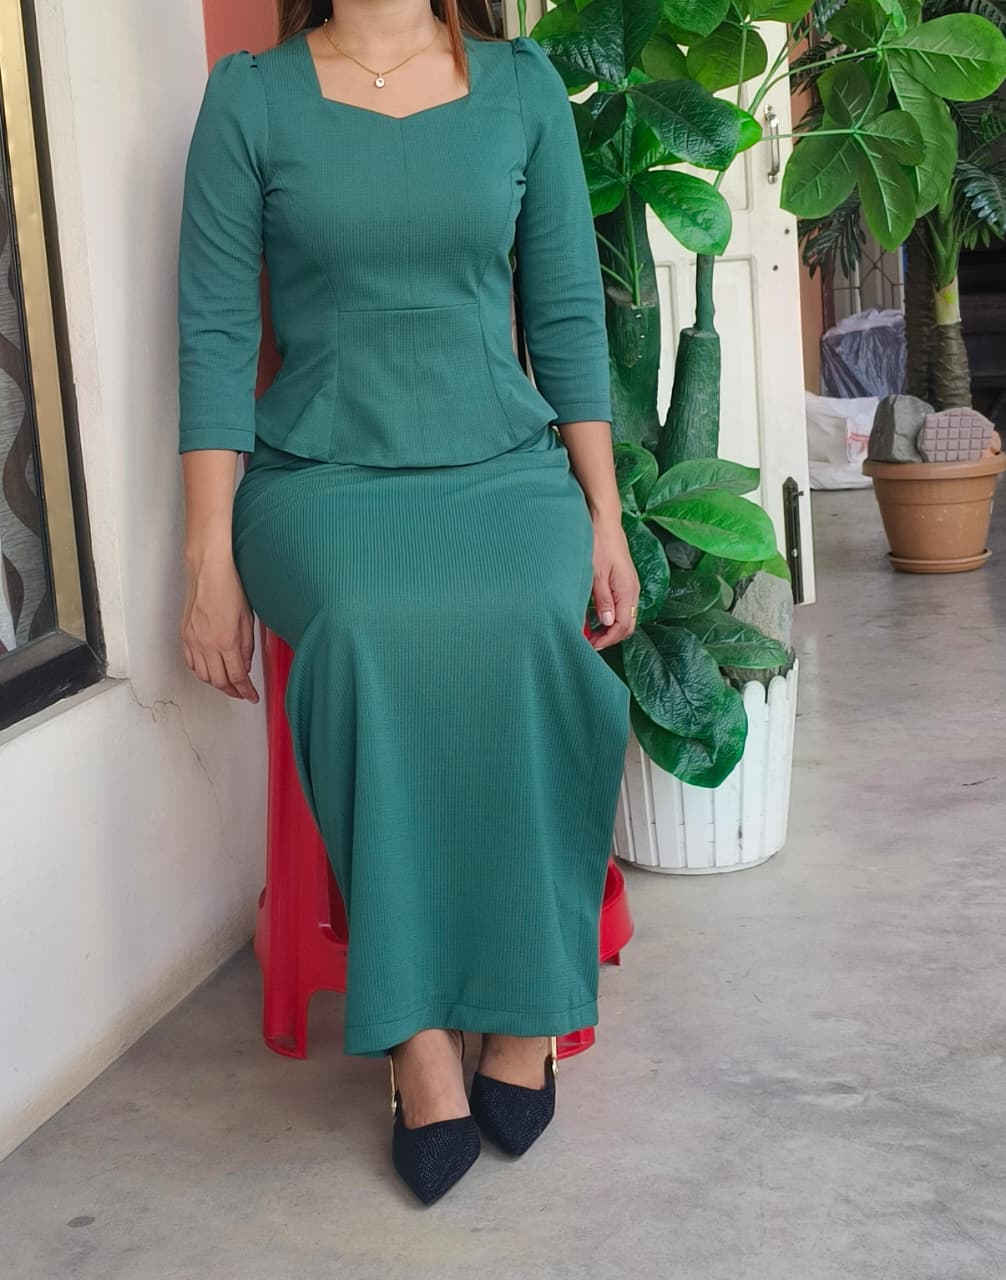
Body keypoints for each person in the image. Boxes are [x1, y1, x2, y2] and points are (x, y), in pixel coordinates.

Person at [176, 0, 639, 1205]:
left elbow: (564, 314)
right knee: (369, 630)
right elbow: (216, 334)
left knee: (523, 621)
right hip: (319, 476)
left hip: (504, 464)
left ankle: (524, 1004)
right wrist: (207, 559)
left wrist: (602, 514)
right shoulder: (250, 100)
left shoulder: (521, 89)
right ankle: (415, 1034)